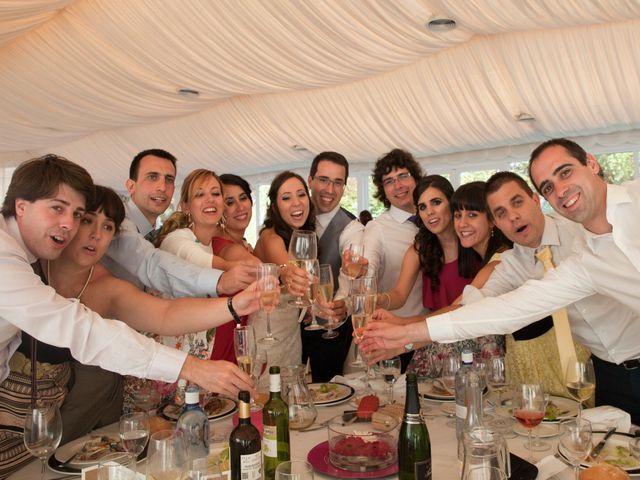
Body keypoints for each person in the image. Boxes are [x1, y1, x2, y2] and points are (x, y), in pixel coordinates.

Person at [0, 155, 256, 477]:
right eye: (58, 209)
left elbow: (163, 312)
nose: (71, 224)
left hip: (45, 416)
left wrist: (234, 306)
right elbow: (79, 328)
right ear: (21, 206)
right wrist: (191, 366)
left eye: (78, 214)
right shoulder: (11, 257)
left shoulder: (88, 276)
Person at [362, 138, 640, 423]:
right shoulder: (560, 263)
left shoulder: (584, 235)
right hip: (608, 375)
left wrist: (407, 332)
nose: (513, 217)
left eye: (565, 172)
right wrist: (408, 335)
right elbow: (492, 311)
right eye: (501, 213)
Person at [374, 177, 505, 376]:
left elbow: (459, 310)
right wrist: (378, 300)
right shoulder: (422, 249)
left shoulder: (484, 251)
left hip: (475, 344)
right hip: (435, 339)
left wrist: (402, 326)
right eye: (423, 207)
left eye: (436, 202)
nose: (430, 212)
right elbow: (399, 294)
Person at [102, 148, 255, 297]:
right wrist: (223, 277)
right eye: (152, 177)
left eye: (169, 179)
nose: (162, 187)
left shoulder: (151, 231)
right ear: (131, 186)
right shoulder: (118, 219)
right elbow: (149, 262)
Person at [157, 169, 260, 364]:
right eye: (200, 194)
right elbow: (199, 260)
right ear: (185, 205)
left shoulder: (213, 244)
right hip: (171, 355)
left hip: (199, 351)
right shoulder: (177, 239)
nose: (210, 200)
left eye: (215, 194)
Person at [362, 148, 426, 370]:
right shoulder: (377, 228)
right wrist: (361, 272)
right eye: (389, 181)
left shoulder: (433, 220)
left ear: (416, 178)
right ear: (383, 191)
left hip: (435, 332)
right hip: (396, 337)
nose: (398, 186)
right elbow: (368, 265)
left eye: (403, 176)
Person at [304, 152, 363, 381]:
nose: (330, 189)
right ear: (310, 180)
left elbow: (349, 279)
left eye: (338, 182)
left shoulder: (352, 229)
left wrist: (338, 306)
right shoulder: (295, 217)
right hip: (291, 330)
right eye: (323, 180)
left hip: (329, 332)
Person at [252, 171, 315, 369]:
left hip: (291, 334)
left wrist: (308, 306)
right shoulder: (271, 239)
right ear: (275, 207)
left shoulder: (300, 235)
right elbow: (291, 273)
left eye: (301, 194)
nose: (296, 202)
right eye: (286, 198)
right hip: (267, 335)